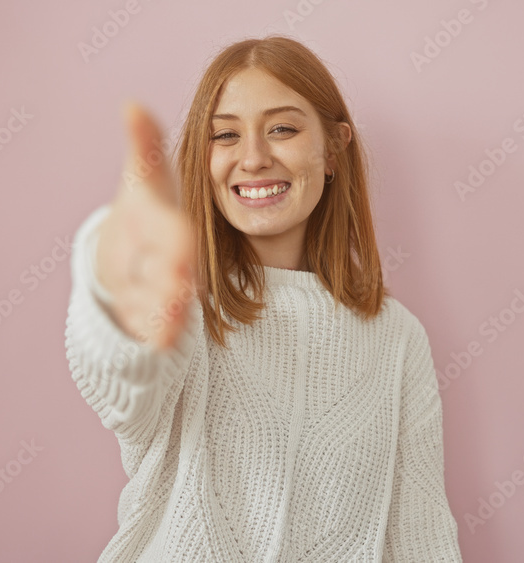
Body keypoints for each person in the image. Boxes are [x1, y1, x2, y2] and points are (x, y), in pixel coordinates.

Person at [64, 35, 463, 562]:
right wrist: (114, 287)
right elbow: (123, 379)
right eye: (225, 135)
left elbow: (422, 535)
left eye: (282, 129)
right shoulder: (188, 313)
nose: (252, 158)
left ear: (334, 149)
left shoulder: (397, 338)